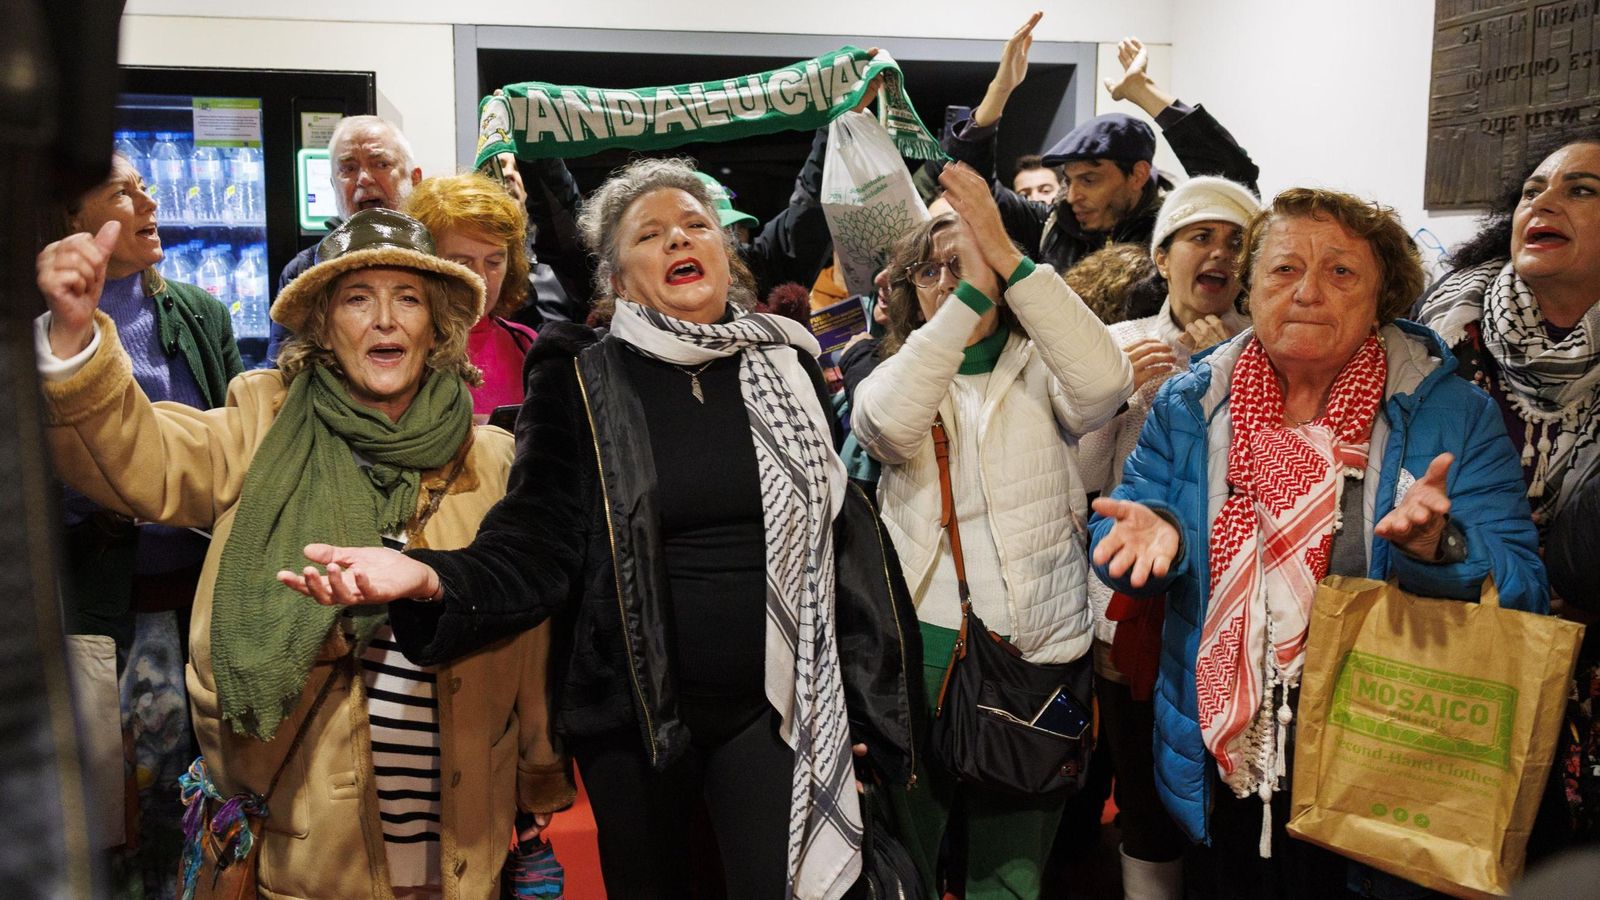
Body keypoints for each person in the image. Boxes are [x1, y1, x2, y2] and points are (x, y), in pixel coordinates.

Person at [272, 157, 918, 899]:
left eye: (696, 226)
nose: (679, 240)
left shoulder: (789, 369)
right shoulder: (580, 375)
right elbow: (535, 542)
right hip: (636, 723)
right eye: (650, 234)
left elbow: (839, 545)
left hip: (778, 711)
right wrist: (432, 575)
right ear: (617, 279)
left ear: (725, 254)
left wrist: (860, 695)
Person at [35, 208, 573, 899]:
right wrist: (75, 341)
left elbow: (529, 637)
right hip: (310, 845)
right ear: (322, 323)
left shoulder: (492, 459)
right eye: (358, 299)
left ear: (438, 324)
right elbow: (142, 458)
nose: (385, 321)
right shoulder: (261, 426)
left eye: (408, 298)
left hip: (463, 838)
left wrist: (537, 772)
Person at [1088, 187, 1548, 898]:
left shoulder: (1454, 411)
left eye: (1340, 272)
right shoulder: (1191, 401)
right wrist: (1158, 544)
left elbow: (1522, 587)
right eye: (1283, 269)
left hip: (1383, 754)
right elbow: (1130, 524)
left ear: (1382, 298)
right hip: (1224, 754)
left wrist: (1440, 550)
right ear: (1250, 288)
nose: (1306, 292)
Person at [851, 161, 1133, 898]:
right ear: (907, 292)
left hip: (1039, 646)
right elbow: (887, 426)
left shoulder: (1044, 365)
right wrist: (969, 293)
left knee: (1010, 875)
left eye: (967, 263)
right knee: (908, 859)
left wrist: (1005, 256)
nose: (952, 281)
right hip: (923, 646)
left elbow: (1107, 384)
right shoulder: (896, 373)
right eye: (932, 271)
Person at [42, 151, 243, 889]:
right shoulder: (47, 334)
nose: (149, 202)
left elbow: (234, 447)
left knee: (206, 801)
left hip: (204, 606)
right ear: (73, 219)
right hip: (105, 613)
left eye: (145, 186)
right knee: (114, 817)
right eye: (124, 192)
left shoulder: (200, 314)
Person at [1414, 129, 1600, 856]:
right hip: (1449, 654)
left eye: (1581, 190)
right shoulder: (1439, 340)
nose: (1544, 203)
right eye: (1532, 190)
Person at [1076, 174, 1257, 900]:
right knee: (1143, 791)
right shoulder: (1119, 343)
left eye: (1237, 241)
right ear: (1161, 257)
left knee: (1226, 794)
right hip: (1130, 600)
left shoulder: (1266, 348)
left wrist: (1230, 370)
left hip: (1229, 605)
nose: (1220, 253)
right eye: (1200, 236)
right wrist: (1113, 393)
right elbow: (1083, 479)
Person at [943, 12, 1259, 273]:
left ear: (1137, 174)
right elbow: (969, 182)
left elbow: (1235, 184)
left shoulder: (1174, 230)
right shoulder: (1050, 227)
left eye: (1089, 180)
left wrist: (1145, 92)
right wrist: (1000, 90)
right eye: (1069, 180)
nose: (1073, 196)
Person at [266, 116, 423, 363]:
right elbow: (284, 370)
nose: (364, 178)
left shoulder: (440, 261)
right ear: (333, 185)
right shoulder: (304, 272)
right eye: (348, 168)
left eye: (381, 164)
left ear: (414, 179)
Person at [404, 173, 539, 421]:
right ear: (423, 264)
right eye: (462, 263)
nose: (481, 278)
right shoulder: (398, 344)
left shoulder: (525, 344)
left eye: (494, 262)